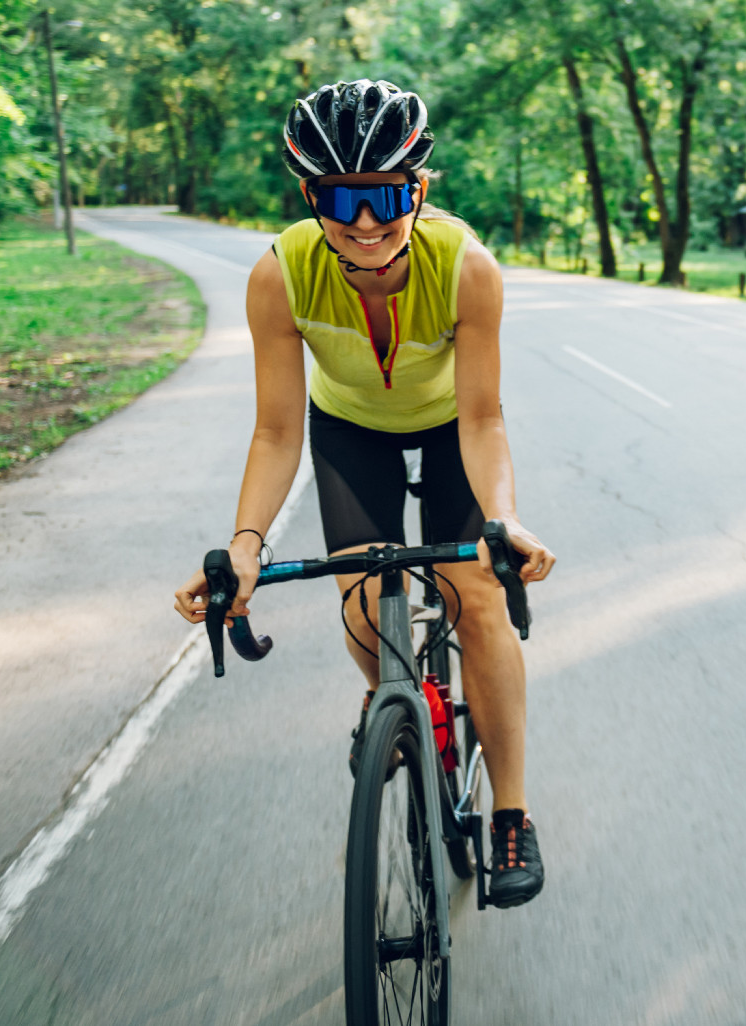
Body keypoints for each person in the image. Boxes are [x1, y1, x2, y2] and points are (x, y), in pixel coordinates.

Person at [175, 79, 556, 908]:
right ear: (312, 197)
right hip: (351, 432)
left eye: (385, 195)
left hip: (451, 428)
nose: (364, 222)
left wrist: (503, 520)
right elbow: (276, 433)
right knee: (359, 604)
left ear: (418, 188)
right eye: (340, 198)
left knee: (477, 600)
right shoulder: (281, 276)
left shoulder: (469, 269)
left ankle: (513, 813)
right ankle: (394, 695)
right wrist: (245, 547)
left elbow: (486, 417)